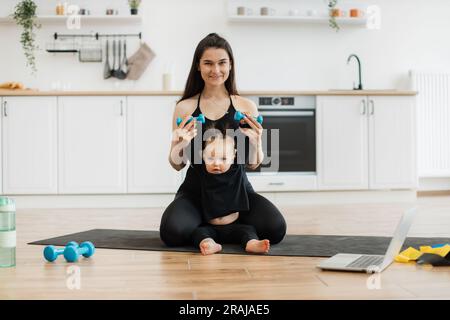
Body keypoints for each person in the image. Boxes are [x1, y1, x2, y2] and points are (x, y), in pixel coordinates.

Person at [159, 32, 286, 249]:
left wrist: (257, 143)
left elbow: (253, 163)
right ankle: (227, 230)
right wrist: (180, 143)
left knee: (275, 228)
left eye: (222, 63)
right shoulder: (185, 107)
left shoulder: (246, 107)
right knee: (172, 232)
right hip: (196, 192)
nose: (215, 70)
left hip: (237, 193)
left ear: (230, 65)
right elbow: (176, 163)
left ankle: (211, 230)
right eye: (208, 63)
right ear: (198, 66)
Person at [192, 125, 270, 255]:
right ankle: (210, 244)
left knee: (248, 231)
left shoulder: (237, 169)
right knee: (199, 233)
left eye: (223, 158)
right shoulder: (201, 172)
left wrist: (252, 136)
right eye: (211, 158)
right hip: (209, 226)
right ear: (203, 156)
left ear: (234, 156)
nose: (216, 163)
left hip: (235, 225)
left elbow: (253, 158)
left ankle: (252, 244)